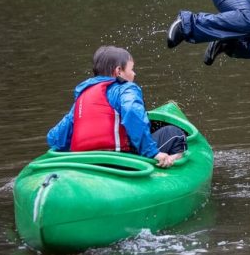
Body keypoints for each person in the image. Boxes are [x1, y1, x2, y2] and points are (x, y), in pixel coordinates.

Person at [46, 46, 185, 168]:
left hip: (84, 159)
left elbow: (55, 138)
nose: (134, 74)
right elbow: (131, 111)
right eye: (132, 69)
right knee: (174, 133)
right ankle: (165, 162)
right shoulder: (124, 88)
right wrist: (152, 152)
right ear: (119, 71)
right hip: (120, 157)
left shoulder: (82, 97)